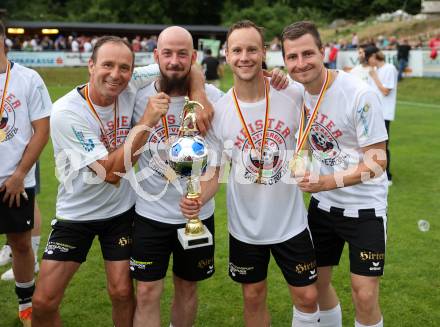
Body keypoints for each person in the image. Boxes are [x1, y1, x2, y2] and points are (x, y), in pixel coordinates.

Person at [181, 20, 319, 327]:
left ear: (264, 53)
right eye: (238, 50)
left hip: (290, 222)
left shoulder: (293, 94)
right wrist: (197, 199)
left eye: (252, 49)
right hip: (246, 228)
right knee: (253, 296)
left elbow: (314, 124)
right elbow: (214, 172)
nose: (245, 57)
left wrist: (306, 160)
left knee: (308, 297)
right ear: (227, 55)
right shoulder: (219, 112)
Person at [31, 36, 164, 327]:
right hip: (76, 214)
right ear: (90, 65)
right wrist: (146, 123)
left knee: (121, 292)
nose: (116, 75)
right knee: (43, 302)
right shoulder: (66, 112)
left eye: (124, 67)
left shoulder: (132, 81)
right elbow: (110, 175)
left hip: (120, 213)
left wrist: (201, 96)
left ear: (132, 70)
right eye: (107, 65)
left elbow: (178, 62)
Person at [281, 21, 388, 327]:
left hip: (365, 208)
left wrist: (327, 181)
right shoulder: (297, 91)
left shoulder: (359, 94)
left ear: (323, 52)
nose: (300, 64)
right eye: (292, 57)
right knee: (316, 286)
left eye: (307, 54)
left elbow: (377, 160)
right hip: (324, 208)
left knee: (365, 295)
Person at [130, 26, 224, 327]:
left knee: (187, 288)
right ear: (156, 55)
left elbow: (217, 167)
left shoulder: (214, 99)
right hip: (149, 214)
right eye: (167, 53)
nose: (174, 61)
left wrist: (200, 199)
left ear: (193, 57)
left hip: (196, 216)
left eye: (182, 54)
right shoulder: (137, 95)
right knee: (145, 292)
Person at [0, 20, 52, 327]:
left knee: (20, 244)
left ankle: (25, 304)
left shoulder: (28, 79)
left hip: (14, 182)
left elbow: (41, 130)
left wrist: (20, 173)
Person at [365, 45, 398, 184]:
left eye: (368, 58)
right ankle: (375, 172)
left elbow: (386, 91)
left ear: (373, 56)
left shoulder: (389, 68)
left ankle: (387, 176)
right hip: (373, 112)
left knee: (383, 144)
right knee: (371, 144)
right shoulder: (376, 70)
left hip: (384, 113)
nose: (368, 62)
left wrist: (375, 77)